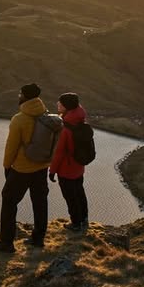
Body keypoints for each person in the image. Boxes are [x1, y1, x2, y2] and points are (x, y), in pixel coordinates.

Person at [0, 82, 52, 252]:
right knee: (40, 201)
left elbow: (11, 146)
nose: (18, 96)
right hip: (41, 167)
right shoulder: (46, 116)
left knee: (9, 201)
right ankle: (38, 238)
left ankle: (6, 242)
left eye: (20, 94)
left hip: (21, 169)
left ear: (25, 96)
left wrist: (6, 166)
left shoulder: (19, 119)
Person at [50, 92, 89, 232]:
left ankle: (76, 223)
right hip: (79, 166)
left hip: (66, 169)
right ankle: (84, 219)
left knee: (70, 197)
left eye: (60, 103)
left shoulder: (66, 127)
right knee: (79, 192)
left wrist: (52, 171)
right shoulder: (80, 121)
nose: (57, 104)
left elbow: (59, 152)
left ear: (66, 106)